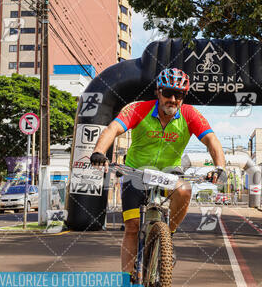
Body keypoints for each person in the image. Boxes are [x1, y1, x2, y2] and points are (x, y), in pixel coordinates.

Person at [90, 67, 226, 273]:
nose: (172, 99)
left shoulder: (190, 114)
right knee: (132, 228)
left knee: (184, 190)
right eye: (167, 93)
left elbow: (211, 140)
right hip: (135, 173)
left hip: (169, 174)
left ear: (183, 97)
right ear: (158, 92)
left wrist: (219, 167)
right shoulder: (138, 109)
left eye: (178, 94)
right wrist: (99, 152)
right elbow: (113, 129)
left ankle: (167, 236)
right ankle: (127, 282)